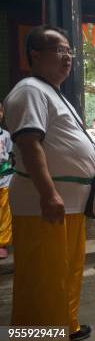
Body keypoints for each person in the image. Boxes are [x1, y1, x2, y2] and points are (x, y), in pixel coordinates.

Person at [4, 24, 95, 341]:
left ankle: (64, 326)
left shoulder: (52, 92)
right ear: (35, 55)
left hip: (68, 203)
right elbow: (30, 144)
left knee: (65, 273)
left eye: (69, 50)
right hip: (44, 202)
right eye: (59, 50)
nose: (67, 57)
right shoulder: (30, 89)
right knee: (42, 280)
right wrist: (49, 193)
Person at [0, 103, 13, 259]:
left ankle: (2, 243)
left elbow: (10, 155)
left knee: (4, 211)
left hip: (4, 177)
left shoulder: (6, 135)